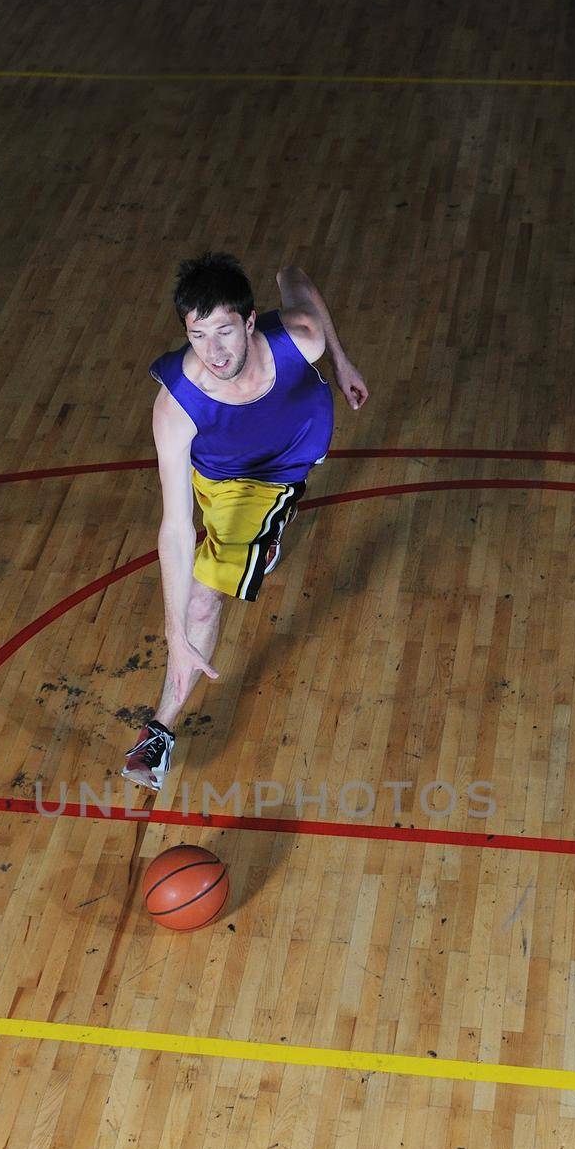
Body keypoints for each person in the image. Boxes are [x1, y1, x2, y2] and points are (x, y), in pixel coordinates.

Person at [121, 252, 369, 791]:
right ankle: (234, 566)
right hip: (212, 471)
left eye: (225, 331)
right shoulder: (176, 406)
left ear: (251, 321)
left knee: (205, 595)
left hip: (272, 473)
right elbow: (174, 525)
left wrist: (342, 363)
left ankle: (160, 730)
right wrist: (171, 628)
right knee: (189, 585)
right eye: (198, 335)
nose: (214, 351)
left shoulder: (301, 338)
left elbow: (296, 278)